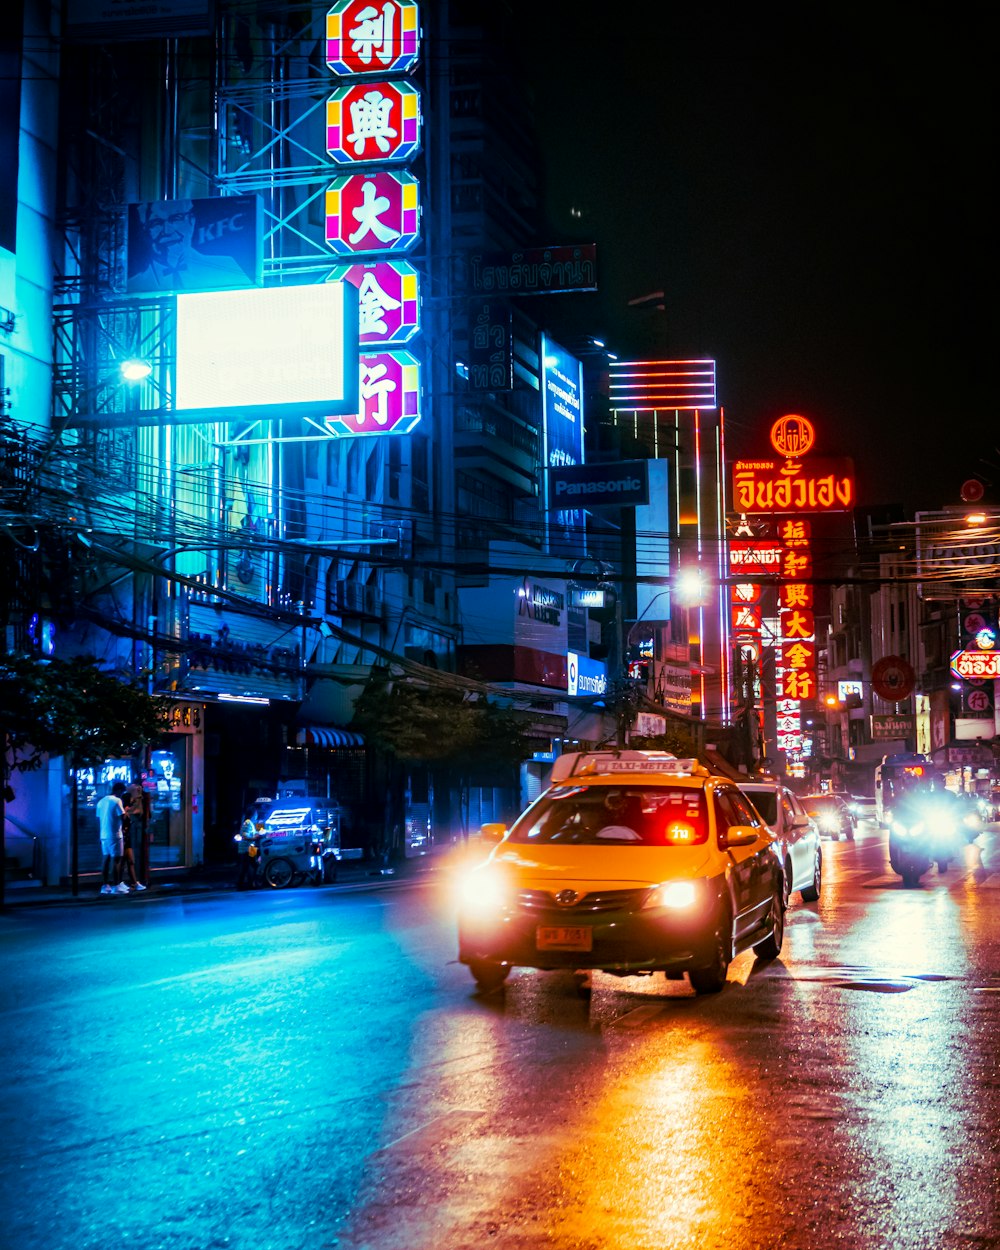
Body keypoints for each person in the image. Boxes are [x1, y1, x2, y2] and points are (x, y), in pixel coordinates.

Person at [128, 199, 249, 293]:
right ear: (144, 230)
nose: (167, 230)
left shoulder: (226, 267)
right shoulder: (133, 285)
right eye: (156, 223)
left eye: (176, 219)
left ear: (192, 221)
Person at [97, 782, 129, 896]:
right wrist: (127, 810)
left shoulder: (101, 802)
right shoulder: (117, 801)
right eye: (122, 792)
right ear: (119, 790)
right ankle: (116, 885)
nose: (123, 794)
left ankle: (105, 885)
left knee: (106, 859)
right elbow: (122, 816)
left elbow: (99, 817)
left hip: (103, 835)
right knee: (117, 861)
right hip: (115, 835)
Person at [120, 776, 147, 892]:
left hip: (127, 837)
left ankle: (134, 882)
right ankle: (120, 883)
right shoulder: (125, 811)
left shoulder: (128, 811)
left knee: (130, 860)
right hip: (122, 838)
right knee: (123, 861)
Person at [235, 809, 260, 889]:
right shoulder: (247, 822)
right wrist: (254, 838)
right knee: (250, 866)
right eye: (255, 813)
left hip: (251, 847)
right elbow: (244, 836)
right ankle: (245, 884)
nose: (256, 815)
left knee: (251, 865)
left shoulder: (252, 823)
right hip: (247, 848)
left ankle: (248, 884)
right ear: (252, 814)